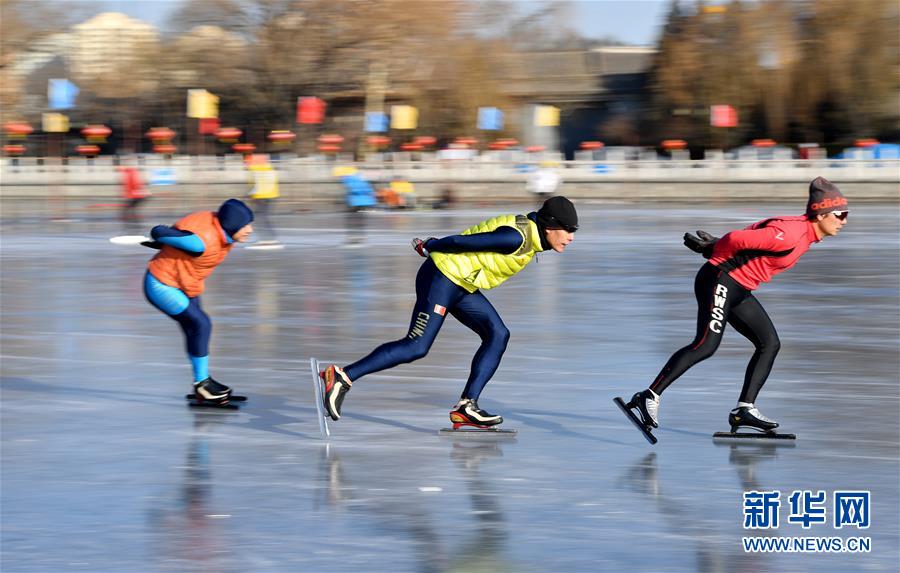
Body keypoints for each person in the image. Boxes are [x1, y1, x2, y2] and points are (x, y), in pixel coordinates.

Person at [319, 196, 579, 428]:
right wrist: (432, 245)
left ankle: (466, 407)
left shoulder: (530, 237)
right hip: (441, 277)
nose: (571, 237)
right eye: (568, 230)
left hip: (461, 283)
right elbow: (463, 242)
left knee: (498, 334)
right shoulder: (516, 238)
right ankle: (342, 376)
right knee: (417, 346)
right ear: (550, 226)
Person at [622, 177, 849, 434]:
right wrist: (716, 248)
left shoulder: (803, 234)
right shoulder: (790, 234)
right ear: (820, 214)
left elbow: (752, 235)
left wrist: (716, 246)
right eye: (839, 214)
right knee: (705, 344)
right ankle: (649, 396)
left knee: (769, 343)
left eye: (846, 214)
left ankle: (744, 410)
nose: (844, 221)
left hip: (739, 288)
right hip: (720, 280)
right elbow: (737, 238)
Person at [142, 199, 254, 404]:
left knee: (195, 329)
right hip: (161, 284)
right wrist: (164, 238)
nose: (250, 230)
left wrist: (169, 242)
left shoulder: (223, 233)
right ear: (232, 224)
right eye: (244, 225)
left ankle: (202, 384)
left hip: (186, 283)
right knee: (201, 324)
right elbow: (159, 231)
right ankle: (202, 385)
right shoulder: (200, 242)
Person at [245, 154, 280, 246]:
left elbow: (255, 185)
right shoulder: (269, 168)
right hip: (272, 195)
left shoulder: (254, 170)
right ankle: (271, 237)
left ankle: (266, 239)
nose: (246, 164)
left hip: (261, 196)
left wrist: (250, 195)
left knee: (259, 217)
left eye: (247, 162)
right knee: (264, 217)